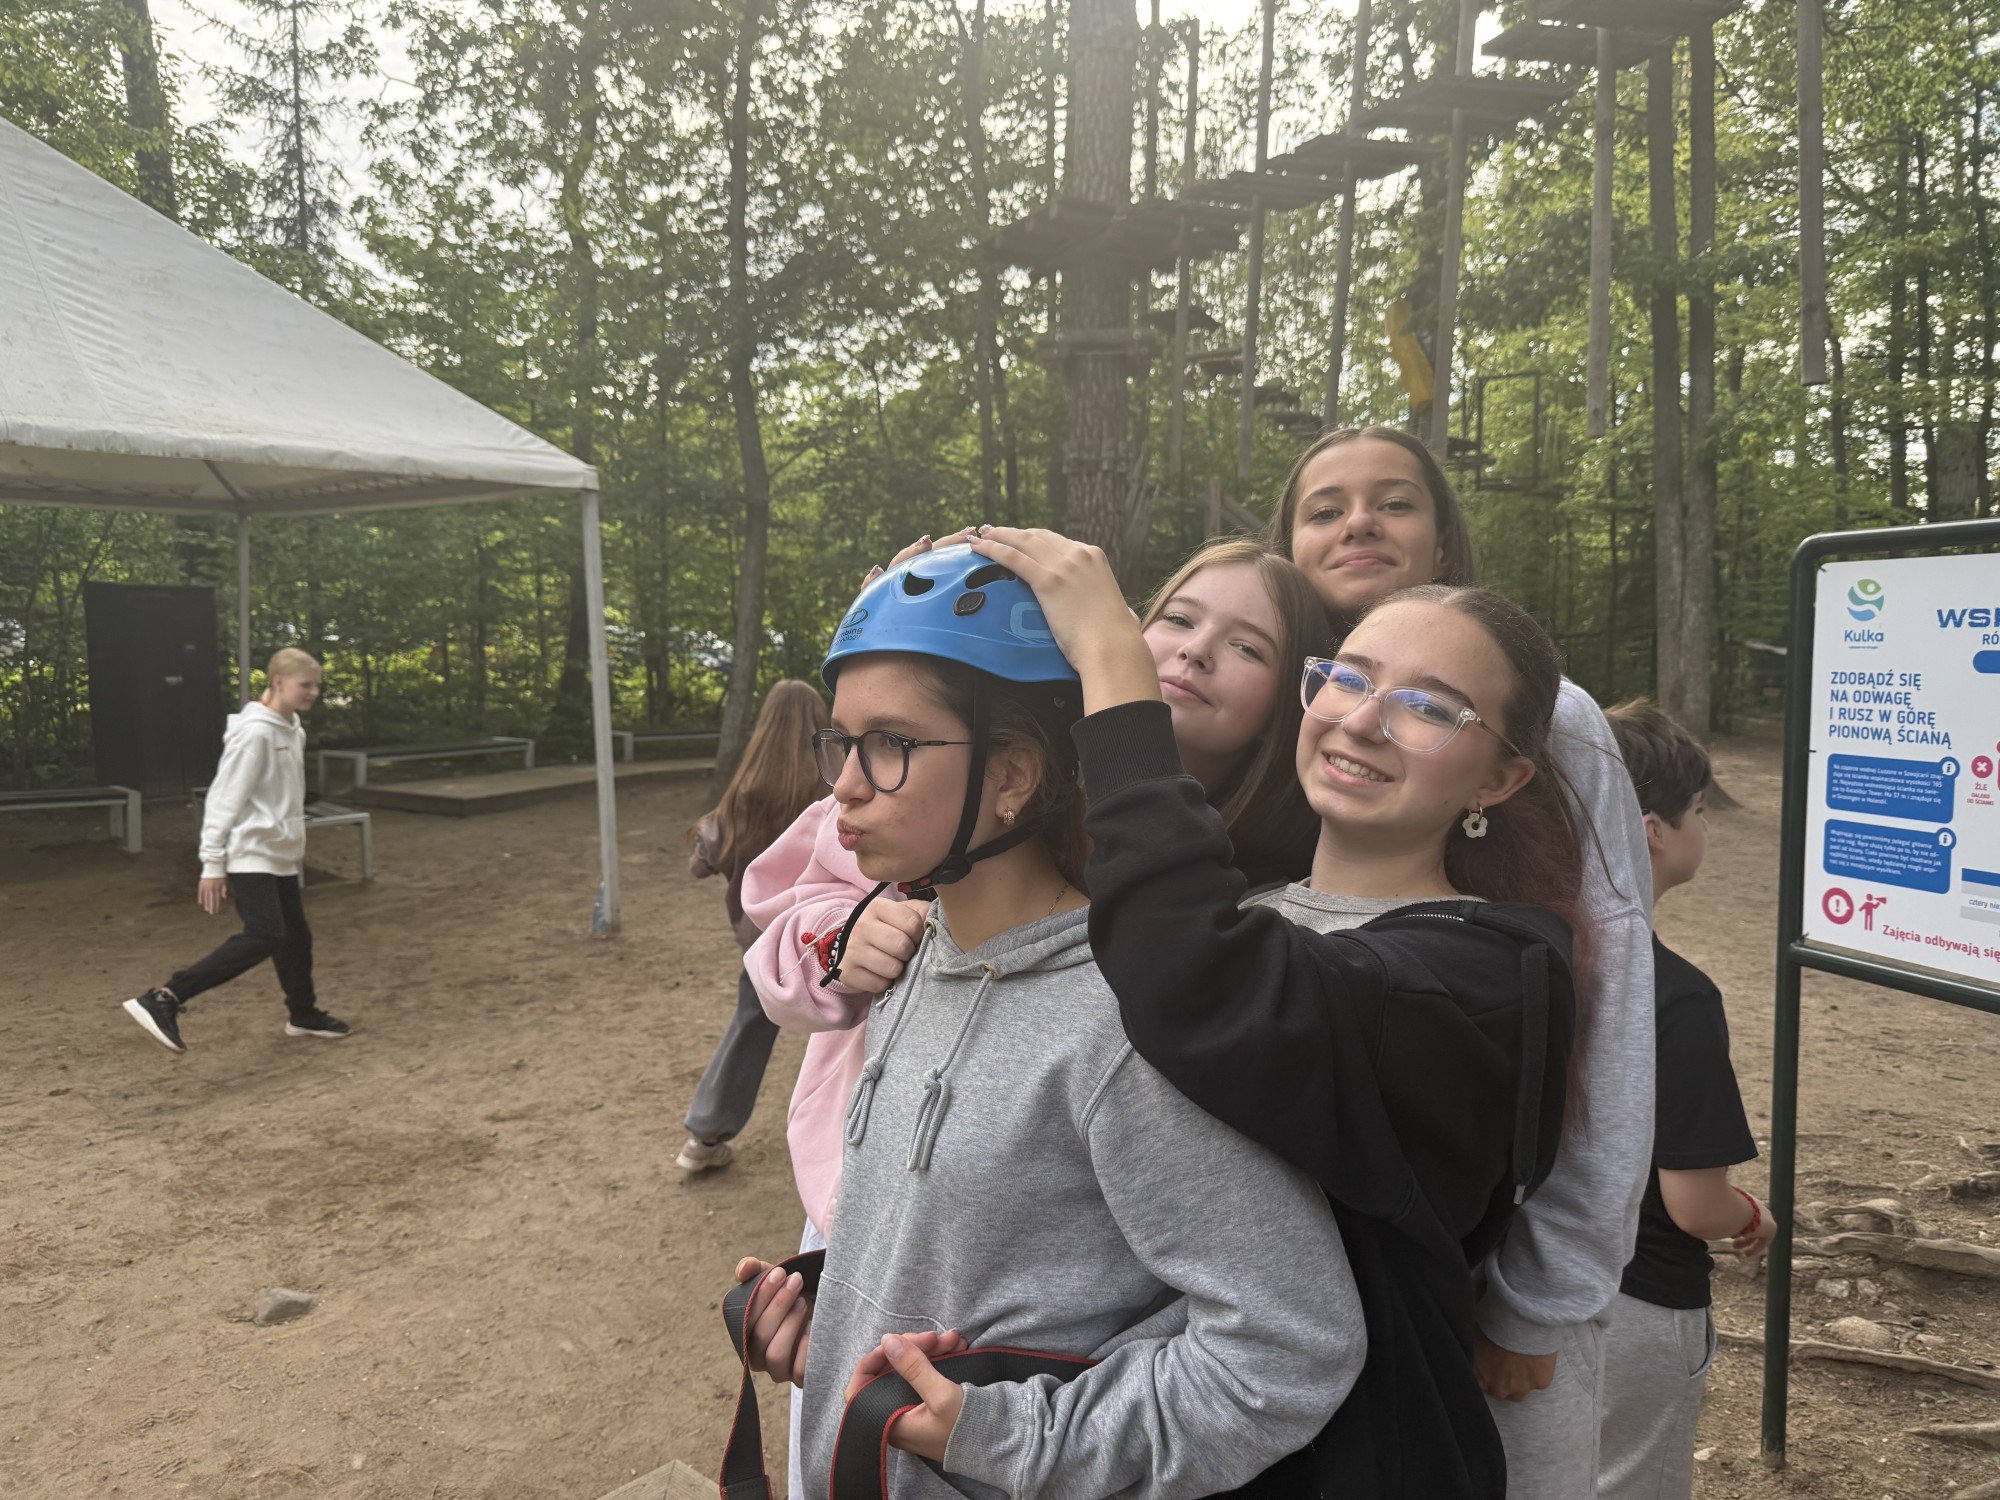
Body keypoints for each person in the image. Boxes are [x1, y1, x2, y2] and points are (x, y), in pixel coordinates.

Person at [732, 543, 1361, 1499]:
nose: (845, 786)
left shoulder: (1120, 1028)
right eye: (842, 741)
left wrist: (1016, 1437)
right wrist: (835, 1324)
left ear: (1015, 776)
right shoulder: (913, 955)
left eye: (891, 745)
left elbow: (1287, 1349)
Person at [968, 524, 1584, 1498]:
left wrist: (1116, 664)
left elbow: (1204, 985)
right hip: (1163, 1446)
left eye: (1428, 707)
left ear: (1498, 779)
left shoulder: (1489, 976)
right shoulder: (1249, 912)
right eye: (1348, 679)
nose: (1363, 720)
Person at [1269, 425, 1656, 1498]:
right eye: (1323, 508)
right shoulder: (1285, 700)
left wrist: (1544, 1292)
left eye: (1393, 501)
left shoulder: (1550, 717)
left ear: (1443, 536)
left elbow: (1612, 987)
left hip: (1488, 1242)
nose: (1357, 522)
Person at [1597, 700, 1773, 1500]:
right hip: (1638, 1307)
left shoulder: (1521, 948)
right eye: (1699, 809)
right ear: (1652, 831)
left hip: (1522, 1294)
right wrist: (1752, 1215)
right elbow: (1696, 1206)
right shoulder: (1678, 998)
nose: (1706, 825)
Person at [121, 647, 348, 1052]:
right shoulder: (255, 733)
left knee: (296, 938)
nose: (314, 693)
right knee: (266, 933)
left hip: (280, 852)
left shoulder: (293, 729)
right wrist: (212, 864)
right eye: (306, 685)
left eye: (318, 685)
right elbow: (223, 799)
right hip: (250, 850)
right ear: (278, 682)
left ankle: (303, 1014)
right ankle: (166, 997)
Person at [676, 679, 830, 1173]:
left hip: (766, 943)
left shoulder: (743, 797)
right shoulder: (832, 791)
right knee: (857, 1032)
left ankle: (705, 1135)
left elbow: (700, 863)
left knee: (751, 1021)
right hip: (831, 936)